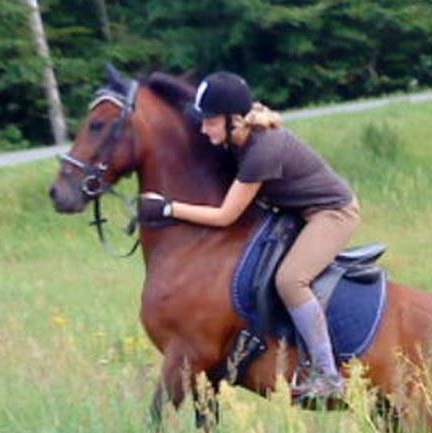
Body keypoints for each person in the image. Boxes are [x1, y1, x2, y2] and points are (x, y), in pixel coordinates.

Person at [138, 71, 360, 400]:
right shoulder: (240, 133)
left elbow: (226, 215)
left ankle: (329, 376)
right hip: (292, 213)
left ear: (234, 120)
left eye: (210, 121)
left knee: (291, 280)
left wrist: (168, 209)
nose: (204, 129)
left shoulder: (262, 150)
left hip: (332, 214)